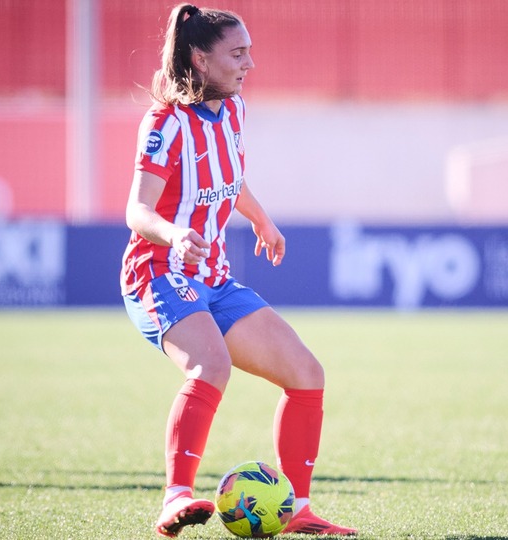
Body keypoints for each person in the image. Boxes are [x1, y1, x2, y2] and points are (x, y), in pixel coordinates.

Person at [121, 5, 357, 538]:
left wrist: (261, 219)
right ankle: (175, 496)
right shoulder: (165, 122)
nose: (250, 62)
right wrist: (176, 234)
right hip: (159, 270)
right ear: (201, 60)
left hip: (214, 277)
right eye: (238, 53)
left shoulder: (233, 110)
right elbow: (138, 210)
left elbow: (231, 177)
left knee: (307, 375)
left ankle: (295, 508)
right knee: (211, 366)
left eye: (249, 50)